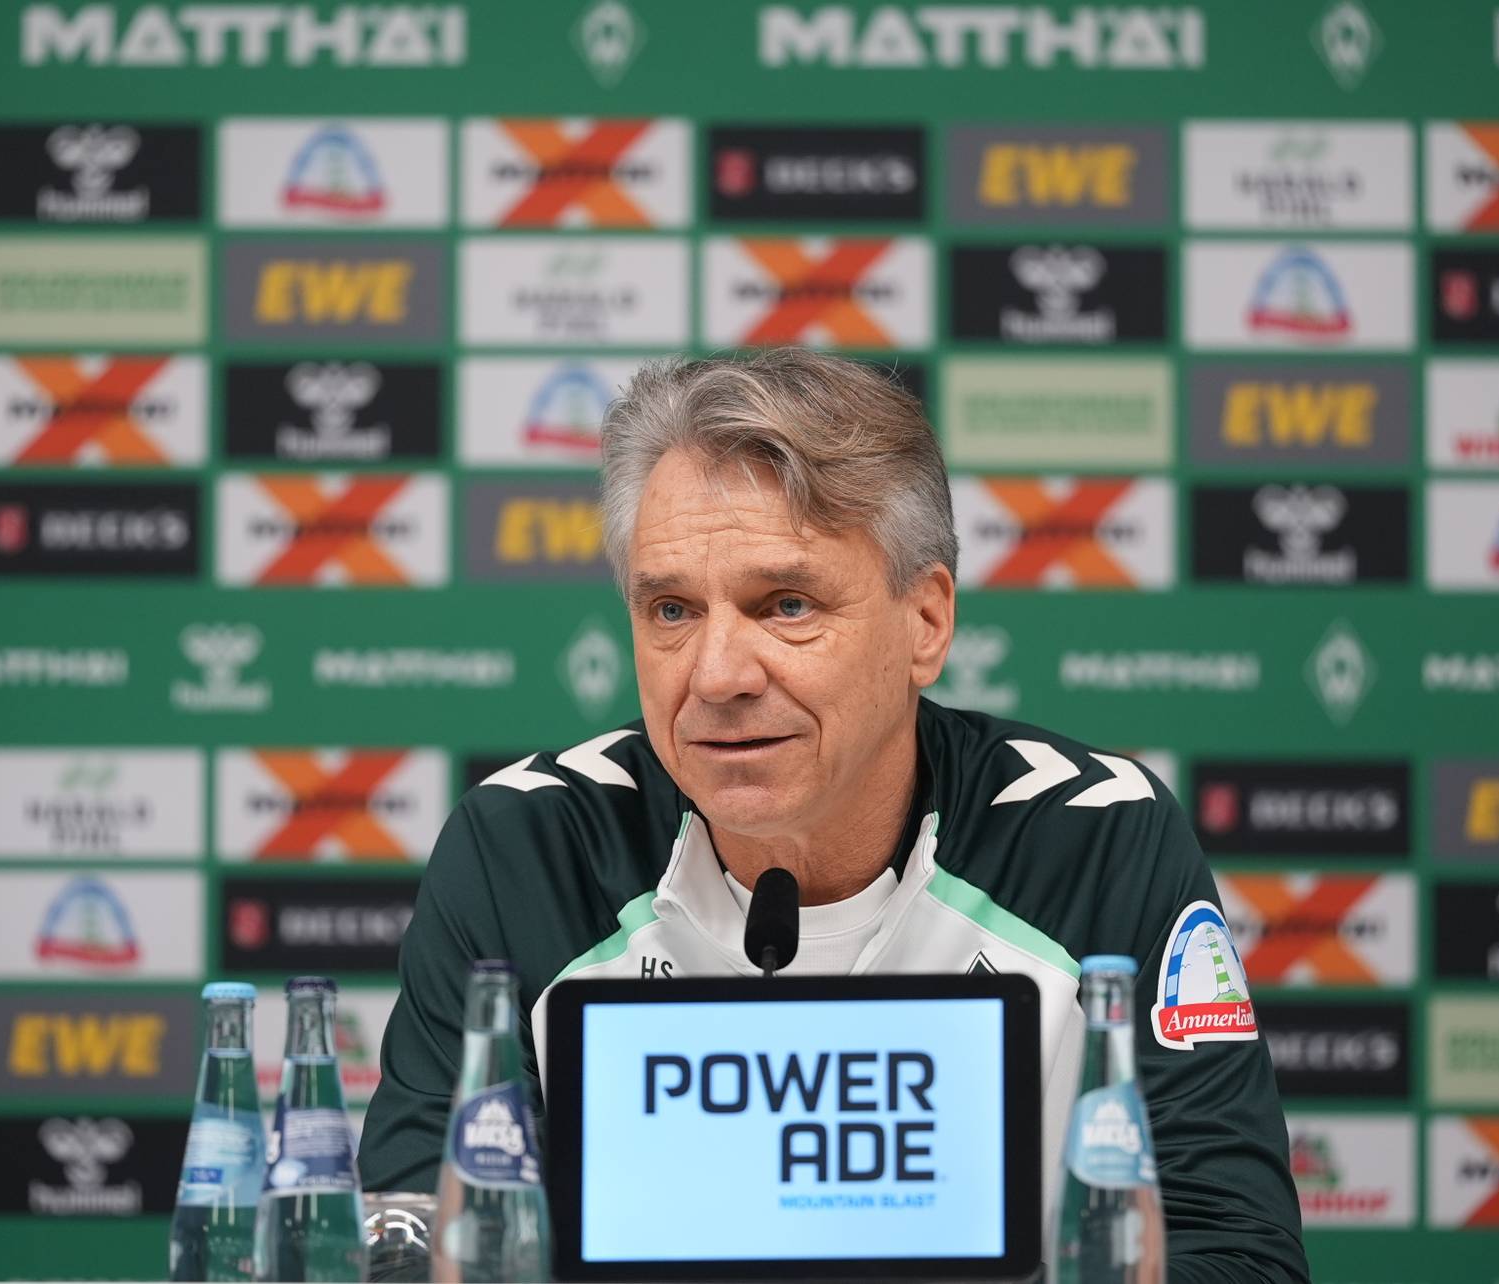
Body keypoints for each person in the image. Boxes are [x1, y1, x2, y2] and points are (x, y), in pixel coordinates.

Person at [358, 348, 1307, 1282]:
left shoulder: (1095, 836)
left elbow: (1236, 1252)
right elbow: (409, 1247)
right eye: (673, 611)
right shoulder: (529, 844)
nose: (719, 677)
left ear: (926, 623)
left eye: (786, 604)